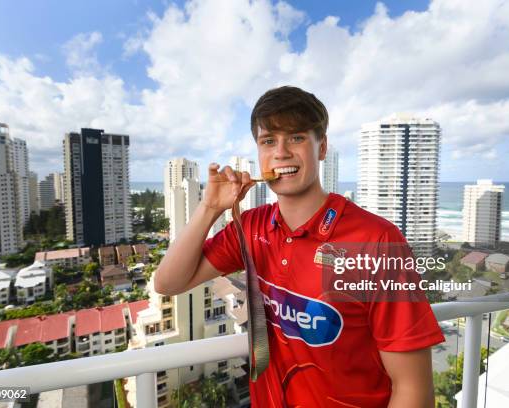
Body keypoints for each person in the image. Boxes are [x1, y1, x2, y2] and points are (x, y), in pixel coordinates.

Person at [154, 86, 444, 407]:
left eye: (296, 137)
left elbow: (413, 387)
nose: (281, 152)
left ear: (322, 148)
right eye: (268, 141)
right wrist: (209, 207)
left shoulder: (377, 241)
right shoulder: (251, 227)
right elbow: (168, 282)